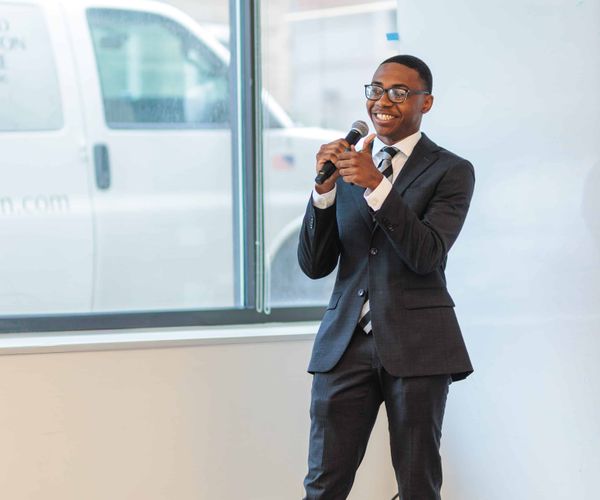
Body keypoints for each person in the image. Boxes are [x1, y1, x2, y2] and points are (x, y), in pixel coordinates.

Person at [298, 55, 475, 500]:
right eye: (375, 90)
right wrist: (324, 193)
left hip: (418, 345)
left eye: (399, 92)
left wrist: (378, 187)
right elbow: (315, 265)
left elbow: (427, 254)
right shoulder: (348, 167)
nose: (383, 101)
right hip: (345, 345)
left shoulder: (451, 171)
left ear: (426, 102)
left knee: (417, 485)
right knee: (323, 484)